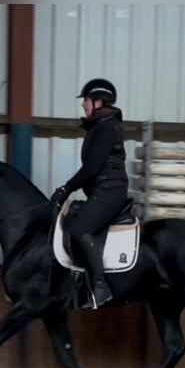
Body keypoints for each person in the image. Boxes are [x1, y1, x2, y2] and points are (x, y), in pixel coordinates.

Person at [49, 77, 129, 308]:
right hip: (103, 191)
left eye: (85, 100)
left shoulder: (106, 128)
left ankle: (100, 286)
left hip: (110, 191)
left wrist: (66, 188)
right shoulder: (100, 127)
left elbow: (92, 168)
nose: (83, 105)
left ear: (98, 101)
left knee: (79, 229)